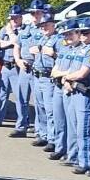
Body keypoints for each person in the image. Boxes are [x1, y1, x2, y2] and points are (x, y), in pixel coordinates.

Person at [60, 18, 90, 175]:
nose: (83, 35)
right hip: (74, 91)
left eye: (87, 32)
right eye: (81, 32)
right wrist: (66, 79)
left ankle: (86, 162)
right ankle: (77, 157)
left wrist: (67, 77)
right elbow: (70, 70)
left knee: (83, 129)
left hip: (85, 92)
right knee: (74, 127)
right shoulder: (78, 50)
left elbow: (82, 73)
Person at [13, 0, 47, 138]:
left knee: (39, 102)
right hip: (24, 67)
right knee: (21, 99)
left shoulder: (45, 29)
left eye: (38, 13)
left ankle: (40, 131)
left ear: (42, 14)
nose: (35, 15)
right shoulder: (25, 30)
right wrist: (18, 60)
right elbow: (17, 46)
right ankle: (21, 126)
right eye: (33, 13)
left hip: (37, 68)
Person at [48, 20, 78, 162]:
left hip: (71, 88)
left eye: (70, 34)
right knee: (59, 119)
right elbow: (55, 70)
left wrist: (63, 73)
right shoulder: (64, 50)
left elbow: (74, 71)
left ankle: (72, 152)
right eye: (65, 35)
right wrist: (62, 74)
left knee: (71, 123)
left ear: (78, 33)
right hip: (59, 87)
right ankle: (60, 148)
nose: (67, 37)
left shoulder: (79, 51)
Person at [0, 5, 25, 127]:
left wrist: (11, 37)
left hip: (17, 67)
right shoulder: (4, 29)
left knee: (19, 96)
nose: (13, 21)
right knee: (2, 94)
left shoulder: (24, 30)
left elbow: (18, 42)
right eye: (11, 18)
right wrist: (10, 41)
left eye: (16, 18)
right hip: (5, 65)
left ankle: (22, 123)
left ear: (21, 18)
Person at [30, 14, 59, 149]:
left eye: (46, 25)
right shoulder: (41, 39)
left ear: (53, 25)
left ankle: (52, 139)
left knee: (50, 109)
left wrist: (53, 53)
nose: (44, 28)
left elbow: (63, 57)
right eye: (42, 26)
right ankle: (43, 135)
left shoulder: (58, 40)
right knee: (40, 107)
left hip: (48, 78)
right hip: (38, 76)